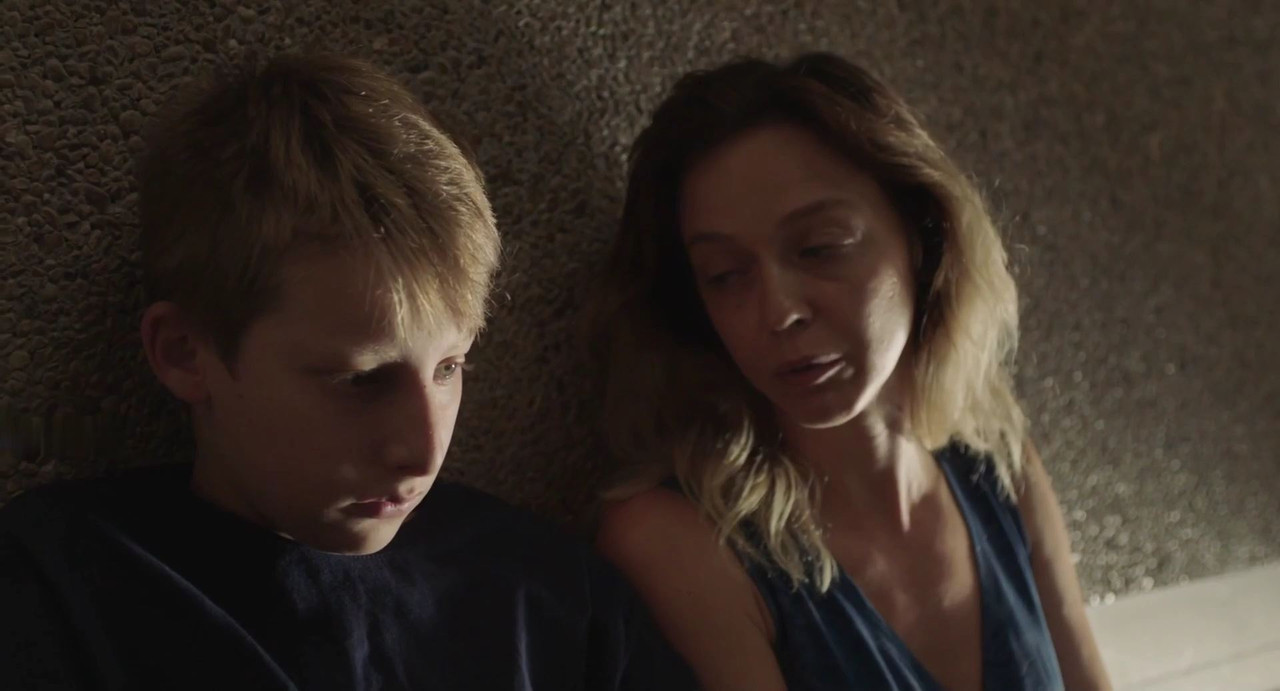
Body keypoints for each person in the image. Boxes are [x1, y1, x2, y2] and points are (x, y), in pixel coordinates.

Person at [0, 53, 692, 691]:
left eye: (449, 366)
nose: (423, 450)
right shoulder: (60, 590)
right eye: (362, 379)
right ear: (185, 352)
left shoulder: (553, 599)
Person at [587, 52, 1112, 690]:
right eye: (725, 275)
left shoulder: (999, 467)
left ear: (920, 235)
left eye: (820, 248)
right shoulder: (680, 542)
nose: (779, 312)